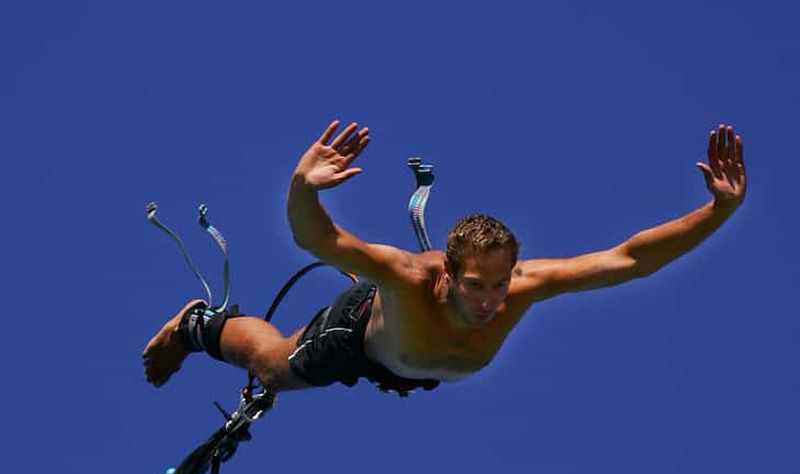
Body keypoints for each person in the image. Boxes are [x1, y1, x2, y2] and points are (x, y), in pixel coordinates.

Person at [142, 120, 747, 396]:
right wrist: (303, 188)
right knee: (274, 369)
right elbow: (318, 242)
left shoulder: (526, 286)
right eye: (476, 285)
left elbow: (631, 259)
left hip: (413, 365)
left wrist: (718, 211)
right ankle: (196, 326)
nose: (490, 300)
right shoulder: (406, 277)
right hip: (360, 336)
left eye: (499, 285)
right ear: (449, 273)